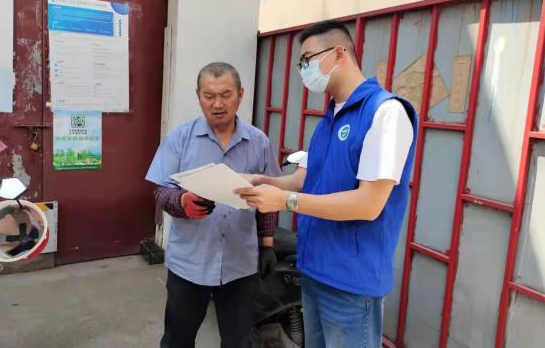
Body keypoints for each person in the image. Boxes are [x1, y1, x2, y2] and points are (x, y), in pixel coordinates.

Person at [235, 21, 417, 348]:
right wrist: (262, 181)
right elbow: (304, 179)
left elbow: (368, 204)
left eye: (307, 59)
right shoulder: (330, 119)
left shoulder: (385, 113)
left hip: (350, 282)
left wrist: (285, 202)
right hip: (314, 269)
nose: (303, 70)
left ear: (339, 53)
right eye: (300, 64)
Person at [146, 62, 281, 348]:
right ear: (198, 96)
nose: (217, 104)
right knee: (177, 340)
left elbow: (269, 196)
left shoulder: (259, 142)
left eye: (225, 94)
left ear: (240, 95)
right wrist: (181, 202)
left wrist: (267, 245)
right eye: (209, 96)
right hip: (190, 262)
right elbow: (161, 191)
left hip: (240, 263)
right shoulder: (180, 138)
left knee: (239, 341)